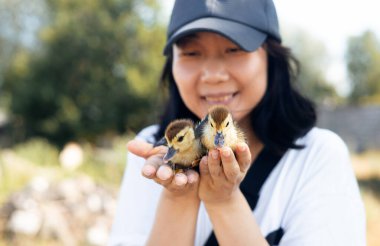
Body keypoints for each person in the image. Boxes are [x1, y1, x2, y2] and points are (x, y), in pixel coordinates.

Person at [109, 0, 366, 245]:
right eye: (191, 52)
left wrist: (224, 200)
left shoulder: (318, 155)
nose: (213, 75)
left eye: (234, 49)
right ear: (172, 64)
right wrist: (178, 197)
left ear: (271, 58)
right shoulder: (153, 152)